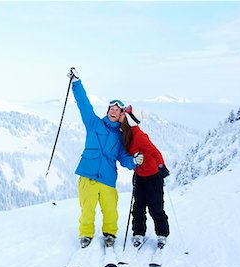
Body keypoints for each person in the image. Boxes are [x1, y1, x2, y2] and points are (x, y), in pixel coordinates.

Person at [67, 67, 144, 249]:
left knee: (111, 211)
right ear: (108, 110)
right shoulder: (93, 123)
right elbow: (84, 104)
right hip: (88, 177)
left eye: (118, 110)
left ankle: (109, 234)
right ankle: (86, 234)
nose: (114, 111)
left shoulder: (119, 136)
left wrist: (133, 161)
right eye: (112, 108)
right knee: (87, 210)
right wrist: (76, 83)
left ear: (120, 116)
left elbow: (123, 157)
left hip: (108, 179)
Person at [119, 105, 170, 249]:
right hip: (139, 174)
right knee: (138, 206)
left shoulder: (139, 136)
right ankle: (138, 233)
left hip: (153, 175)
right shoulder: (126, 133)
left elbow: (155, 151)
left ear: (129, 120)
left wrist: (161, 166)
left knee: (156, 207)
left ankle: (162, 234)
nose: (121, 116)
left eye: (123, 115)